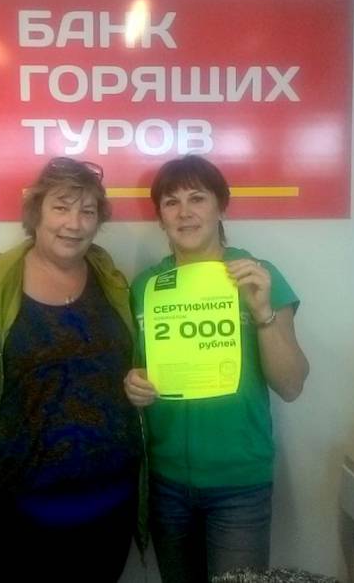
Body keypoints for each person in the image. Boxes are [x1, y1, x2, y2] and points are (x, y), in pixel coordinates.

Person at [0, 157, 142, 582]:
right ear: (36, 213)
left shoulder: (113, 282)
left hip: (109, 512)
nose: (74, 224)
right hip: (18, 516)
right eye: (61, 207)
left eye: (88, 211)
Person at [124, 155, 309, 583]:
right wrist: (134, 384)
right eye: (171, 202)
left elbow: (291, 385)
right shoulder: (146, 286)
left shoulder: (257, 276)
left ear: (220, 206)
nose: (184, 212)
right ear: (160, 217)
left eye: (197, 198)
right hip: (166, 483)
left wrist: (261, 313)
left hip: (239, 484)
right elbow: (140, 371)